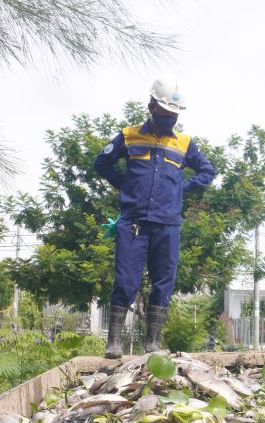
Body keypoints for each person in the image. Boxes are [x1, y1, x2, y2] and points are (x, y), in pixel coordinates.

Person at [94, 77, 216, 358]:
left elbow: (208, 172)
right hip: (134, 222)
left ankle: (153, 342)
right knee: (126, 280)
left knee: (164, 282)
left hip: (168, 224)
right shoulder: (129, 135)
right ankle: (114, 342)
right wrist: (125, 185)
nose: (170, 120)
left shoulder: (185, 143)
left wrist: (180, 190)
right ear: (151, 107)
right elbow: (101, 162)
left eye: (174, 116)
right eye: (165, 114)